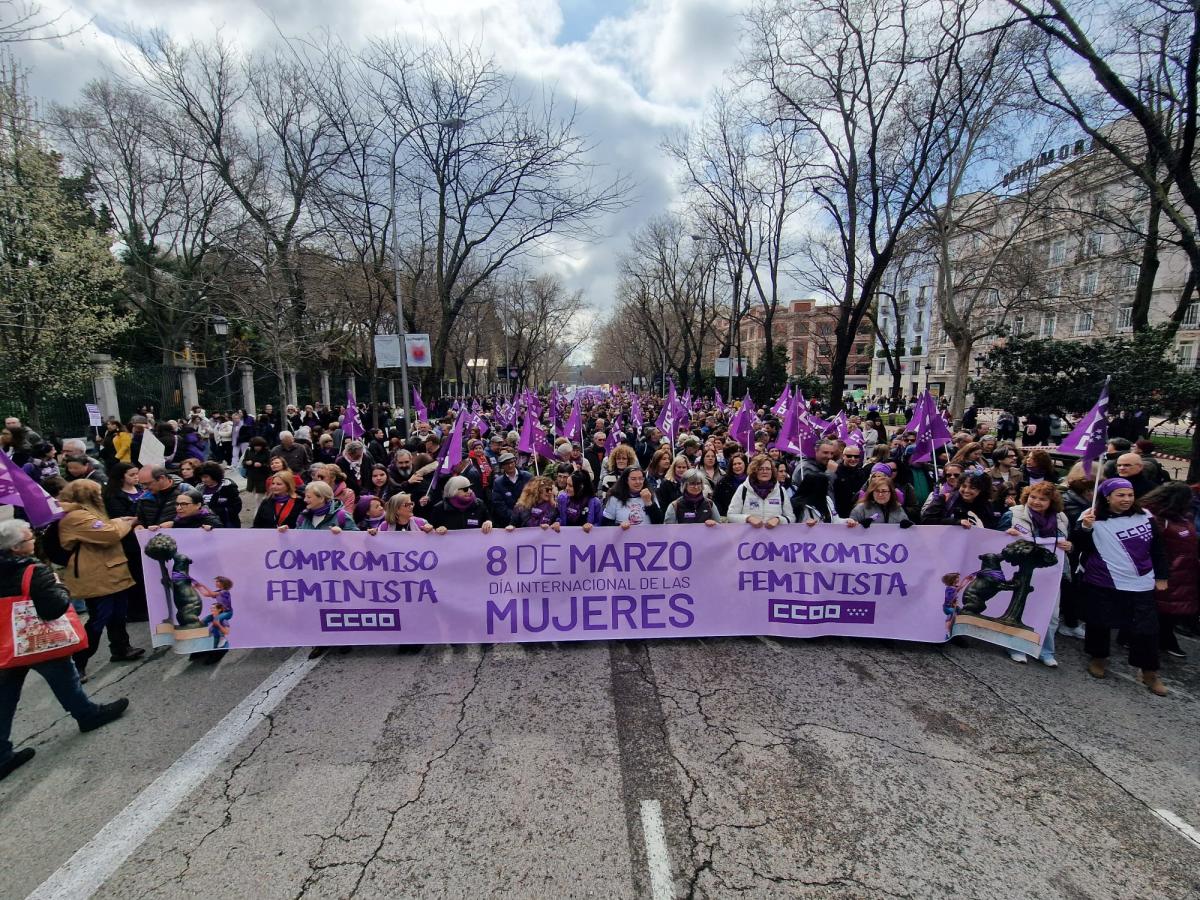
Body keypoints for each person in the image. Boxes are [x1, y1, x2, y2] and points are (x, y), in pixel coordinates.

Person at [0, 519, 129, 780]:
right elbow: (52, 609)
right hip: (38, 642)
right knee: (65, 679)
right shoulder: (33, 571)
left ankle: (1, 754)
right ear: (16, 548)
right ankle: (88, 715)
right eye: (29, 539)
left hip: (6, 643)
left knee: (5, 697)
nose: (34, 541)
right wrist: (60, 587)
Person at [1073, 478, 1170, 695]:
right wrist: (1085, 529)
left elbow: (1158, 548)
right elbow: (1078, 545)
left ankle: (1149, 672)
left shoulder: (1145, 516)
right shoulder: (1091, 516)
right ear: (1107, 497)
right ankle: (1098, 658)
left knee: (1147, 629)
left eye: (1129, 495)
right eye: (1120, 495)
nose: (1126, 499)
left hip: (1140, 582)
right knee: (1099, 622)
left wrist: (1162, 575)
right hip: (1104, 580)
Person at [56, 480, 146, 682]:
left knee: (119, 613)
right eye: (97, 492)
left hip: (111, 569)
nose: (101, 495)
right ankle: (78, 663)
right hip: (95, 574)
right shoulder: (76, 516)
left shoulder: (88, 511)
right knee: (99, 618)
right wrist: (125, 522)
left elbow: (106, 527)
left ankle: (121, 647)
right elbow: (109, 534)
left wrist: (117, 521)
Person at [1002, 482, 1072, 666]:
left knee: (1051, 613)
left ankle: (1046, 650)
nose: (1036, 502)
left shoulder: (1061, 518)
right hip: (1024, 572)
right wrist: (1007, 534)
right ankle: (1016, 646)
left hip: (1051, 574)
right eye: (1033, 497)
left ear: (1052, 501)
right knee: (1024, 608)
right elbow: (996, 540)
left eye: (1043, 499)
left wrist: (1069, 546)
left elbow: (1067, 542)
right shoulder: (1013, 514)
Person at [1141, 482, 1199, 661]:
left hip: (1183, 570)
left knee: (1168, 610)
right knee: (1158, 608)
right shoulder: (1156, 518)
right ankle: (1158, 641)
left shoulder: (1182, 517)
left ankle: (1164, 639)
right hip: (1167, 570)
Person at [727, 454, 793, 528]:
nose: (764, 471)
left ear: (772, 471)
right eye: (760, 469)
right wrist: (748, 518)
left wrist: (779, 519)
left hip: (774, 538)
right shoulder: (743, 489)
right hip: (749, 538)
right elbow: (731, 515)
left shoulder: (780, 490)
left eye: (768, 469)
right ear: (754, 470)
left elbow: (791, 518)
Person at [921, 472, 997, 529]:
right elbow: (926, 520)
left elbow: (991, 526)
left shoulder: (986, 505)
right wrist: (956, 522)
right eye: (963, 486)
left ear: (981, 490)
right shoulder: (944, 499)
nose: (966, 490)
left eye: (972, 488)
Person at [286, 481, 358, 533]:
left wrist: (342, 534)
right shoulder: (303, 517)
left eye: (308, 497)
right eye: (305, 497)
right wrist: (286, 533)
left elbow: (356, 540)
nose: (305, 500)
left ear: (321, 498)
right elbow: (296, 542)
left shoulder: (342, 516)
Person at [428, 475, 494, 532]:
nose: (469, 491)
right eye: (465, 489)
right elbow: (431, 528)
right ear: (453, 491)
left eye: (469, 487)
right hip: (449, 545)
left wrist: (489, 522)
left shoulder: (479, 504)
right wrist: (437, 529)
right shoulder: (439, 508)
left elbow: (489, 520)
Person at [490, 452, 531, 528]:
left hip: (528, 520)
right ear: (502, 466)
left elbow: (533, 496)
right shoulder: (498, 482)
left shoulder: (527, 476)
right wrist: (514, 517)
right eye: (506, 464)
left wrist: (526, 515)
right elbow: (499, 504)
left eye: (512, 462)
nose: (510, 465)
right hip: (508, 522)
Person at [197, 462, 242, 528]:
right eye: (202, 477)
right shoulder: (199, 488)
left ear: (214, 475)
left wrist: (219, 511)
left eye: (206, 477)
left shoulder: (228, 487)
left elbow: (236, 507)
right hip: (204, 523)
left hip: (226, 523)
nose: (203, 480)